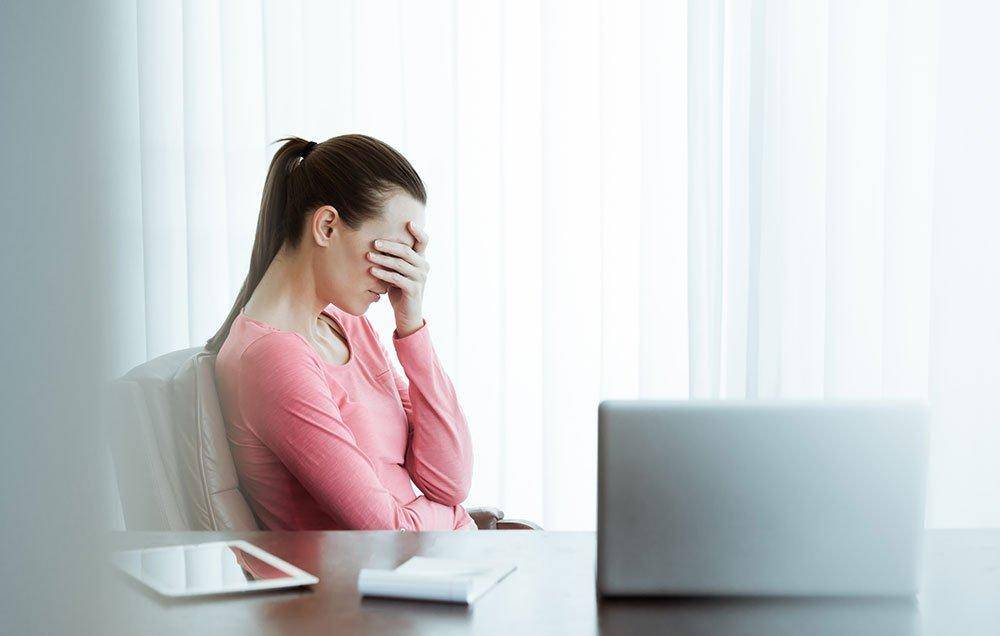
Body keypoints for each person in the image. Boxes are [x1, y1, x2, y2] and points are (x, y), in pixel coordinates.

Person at [209, 135, 475, 531]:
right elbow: (388, 533)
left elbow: (450, 481)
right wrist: (454, 519)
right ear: (327, 226)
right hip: (378, 570)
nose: (394, 279)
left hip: (425, 560)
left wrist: (412, 327)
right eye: (389, 254)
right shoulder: (271, 357)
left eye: (406, 259)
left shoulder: (348, 324)